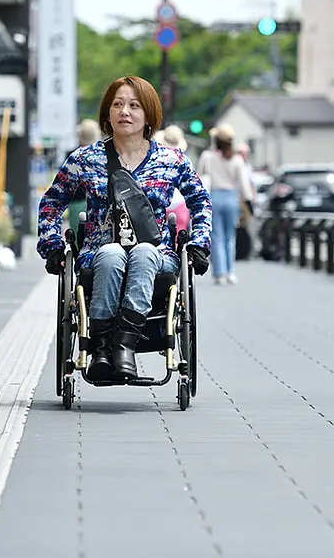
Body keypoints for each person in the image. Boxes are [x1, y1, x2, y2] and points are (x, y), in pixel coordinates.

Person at [37, 76, 213, 381]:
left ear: (149, 114)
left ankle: (124, 346)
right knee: (111, 253)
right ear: (107, 113)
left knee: (143, 252)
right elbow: (51, 203)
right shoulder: (86, 158)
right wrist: (52, 245)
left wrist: (199, 243)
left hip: (156, 254)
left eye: (134, 105)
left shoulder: (170, 160)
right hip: (99, 252)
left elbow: (200, 201)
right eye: (117, 104)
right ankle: (101, 348)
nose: (125, 112)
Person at [197, 125, 254, 284]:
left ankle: (219, 273)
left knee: (216, 237)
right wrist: (248, 201)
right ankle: (230, 271)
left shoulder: (208, 156)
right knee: (230, 236)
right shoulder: (237, 159)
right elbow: (244, 183)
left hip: (214, 197)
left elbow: (200, 175)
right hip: (231, 198)